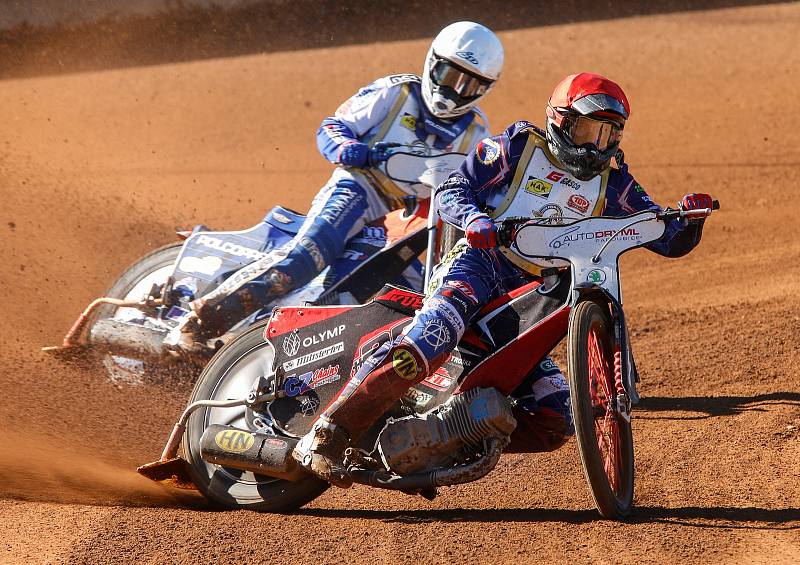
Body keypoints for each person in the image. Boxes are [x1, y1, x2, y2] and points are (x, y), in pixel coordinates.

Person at [293, 72, 715, 488]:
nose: (595, 146)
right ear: (561, 120)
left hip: (535, 295)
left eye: (608, 135)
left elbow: (665, 237)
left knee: (555, 418)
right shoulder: (516, 147)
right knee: (430, 340)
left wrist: (689, 220)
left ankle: (443, 436)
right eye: (588, 130)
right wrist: (475, 219)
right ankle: (328, 433)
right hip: (481, 264)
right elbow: (454, 188)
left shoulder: (615, 182)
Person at [183, 21, 504, 340]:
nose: (455, 92)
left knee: (405, 298)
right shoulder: (396, 93)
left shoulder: (477, 134)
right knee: (304, 260)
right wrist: (353, 150)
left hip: (403, 223)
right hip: (358, 189)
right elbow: (332, 128)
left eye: (469, 85)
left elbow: (478, 189)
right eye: (450, 77)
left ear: (485, 89)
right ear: (433, 64)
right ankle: (203, 320)